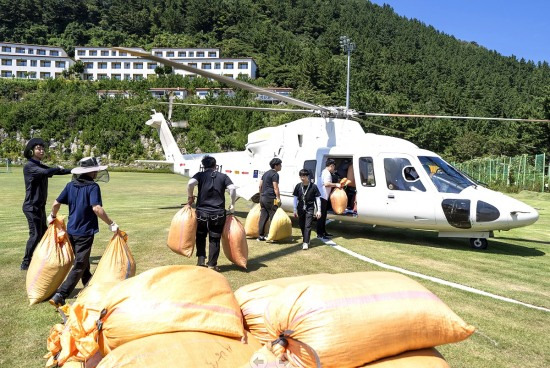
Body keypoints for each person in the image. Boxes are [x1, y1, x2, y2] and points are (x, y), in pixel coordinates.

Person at [48, 157, 118, 307]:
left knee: (82, 259)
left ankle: (89, 282)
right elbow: (96, 208)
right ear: (92, 171)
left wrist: (52, 216)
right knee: (80, 263)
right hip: (85, 232)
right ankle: (61, 294)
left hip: (71, 230)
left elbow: (56, 203)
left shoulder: (70, 185)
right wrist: (111, 223)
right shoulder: (93, 187)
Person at [21, 138, 71, 271]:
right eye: (38, 148)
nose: (41, 150)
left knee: (44, 233)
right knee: (35, 234)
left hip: (39, 206)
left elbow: (55, 172)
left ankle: (45, 257)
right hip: (31, 207)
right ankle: (26, 262)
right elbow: (46, 172)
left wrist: (74, 171)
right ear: (32, 151)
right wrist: (56, 168)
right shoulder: (30, 166)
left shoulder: (39, 165)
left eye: (42, 148)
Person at [188, 155, 236, 271]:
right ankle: (212, 264)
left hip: (202, 212)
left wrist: (190, 197)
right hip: (218, 213)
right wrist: (233, 204)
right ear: (215, 165)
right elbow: (233, 189)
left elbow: (190, 183)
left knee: (200, 236)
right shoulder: (223, 176)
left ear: (203, 166)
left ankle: (200, 261)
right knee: (214, 238)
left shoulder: (200, 175)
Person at [293, 169, 321, 250]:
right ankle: (306, 238)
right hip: (300, 207)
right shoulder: (298, 186)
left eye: (304, 176)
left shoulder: (313, 186)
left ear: (307, 176)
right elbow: (295, 198)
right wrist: (294, 209)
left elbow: (318, 198)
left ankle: (305, 242)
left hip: (310, 207)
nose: (302, 178)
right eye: (301, 176)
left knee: (308, 225)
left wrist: (319, 210)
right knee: (302, 225)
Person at [257, 158, 282, 241]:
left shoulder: (265, 173)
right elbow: (275, 187)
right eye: (280, 165)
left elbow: (260, 186)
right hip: (270, 198)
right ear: (276, 165)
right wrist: (278, 198)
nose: (281, 166)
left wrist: (261, 195)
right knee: (273, 216)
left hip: (263, 197)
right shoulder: (275, 174)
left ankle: (260, 236)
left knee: (263, 216)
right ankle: (272, 236)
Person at [317, 158, 340, 240]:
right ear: (331, 166)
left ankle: (323, 232)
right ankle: (320, 233)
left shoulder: (324, 172)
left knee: (324, 216)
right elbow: (327, 184)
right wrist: (336, 184)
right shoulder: (327, 173)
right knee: (321, 216)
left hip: (323, 196)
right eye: (333, 167)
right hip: (322, 197)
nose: (334, 168)